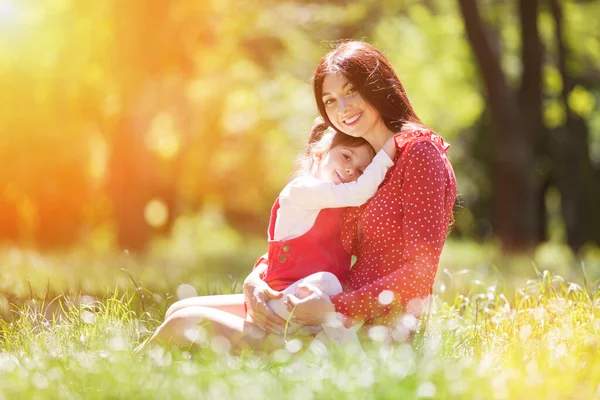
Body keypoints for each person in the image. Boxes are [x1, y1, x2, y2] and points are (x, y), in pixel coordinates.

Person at [248, 40, 457, 340]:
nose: (342, 108)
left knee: (185, 322)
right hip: (326, 307)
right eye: (330, 100)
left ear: (378, 87)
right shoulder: (360, 165)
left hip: (373, 329)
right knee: (181, 311)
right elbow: (310, 236)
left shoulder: (419, 153)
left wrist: (337, 307)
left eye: (351, 91)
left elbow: (421, 273)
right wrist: (256, 277)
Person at [142, 116, 397, 350]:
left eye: (362, 170)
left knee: (182, 318)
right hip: (281, 302)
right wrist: (389, 147)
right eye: (346, 156)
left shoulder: (338, 207)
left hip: (293, 308)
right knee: (176, 310)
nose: (352, 170)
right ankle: (138, 363)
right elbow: (359, 191)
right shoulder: (302, 191)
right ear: (320, 154)